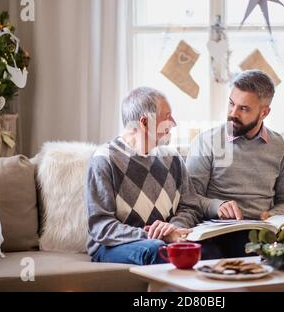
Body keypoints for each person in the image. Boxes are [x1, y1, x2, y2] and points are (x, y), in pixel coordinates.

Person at [186, 70, 284, 258]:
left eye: (243, 109)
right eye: (231, 103)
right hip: (220, 231)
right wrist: (218, 206)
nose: (232, 113)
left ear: (264, 112)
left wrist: (271, 215)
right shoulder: (206, 142)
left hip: (263, 232)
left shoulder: (281, 148)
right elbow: (189, 198)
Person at [86, 87, 204, 265]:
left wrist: (175, 228)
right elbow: (101, 226)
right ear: (145, 122)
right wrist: (155, 234)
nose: (173, 123)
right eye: (167, 117)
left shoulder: (172, 158)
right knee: (159, 251)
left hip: (165, 239)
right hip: (113, 245)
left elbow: (191, 206)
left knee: (211, 248)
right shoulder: (104, 160)